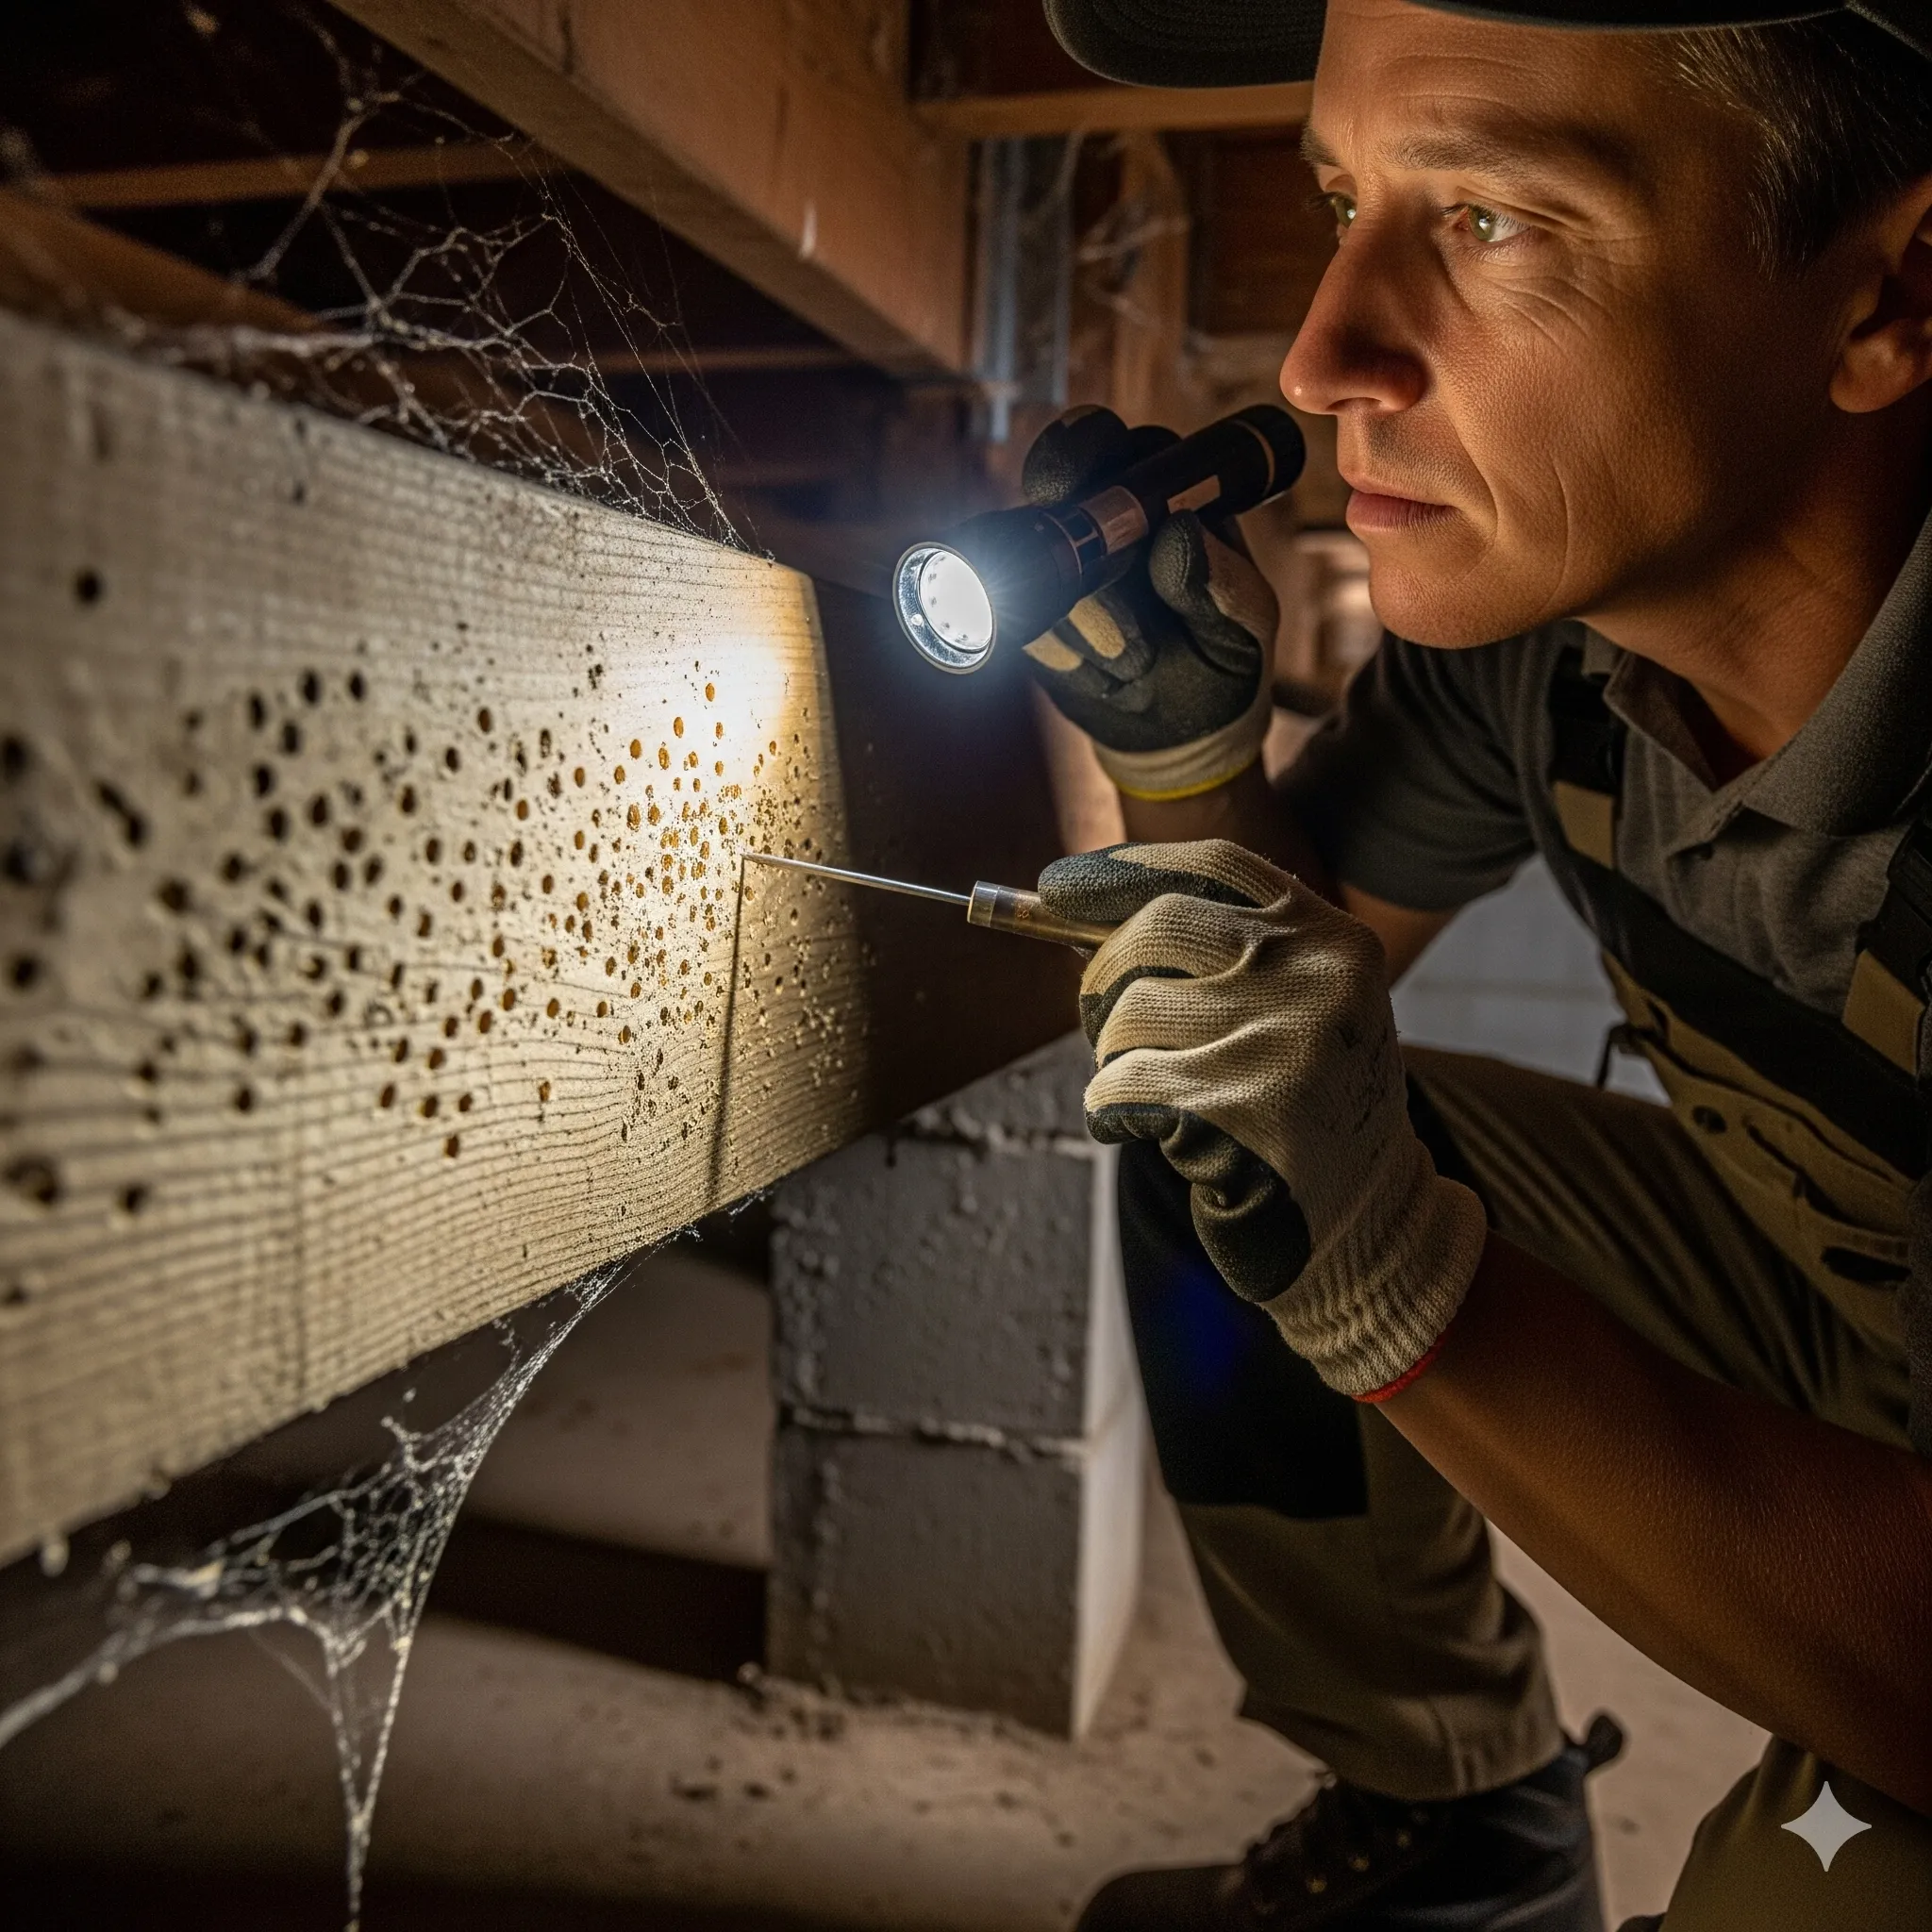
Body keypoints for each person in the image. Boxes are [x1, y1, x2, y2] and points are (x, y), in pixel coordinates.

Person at [1013, 3, 1932, 1927]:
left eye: (1494, 218)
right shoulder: (1543, 657)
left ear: (1891, 294)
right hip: (1843, 1301)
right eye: (1343, 202)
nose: (1319, 353)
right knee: (1220, 1120)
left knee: (1812, 1894)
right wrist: (1186, 760)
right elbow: (1288, 997)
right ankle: (1454, 1818)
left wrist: (1399, 1284)